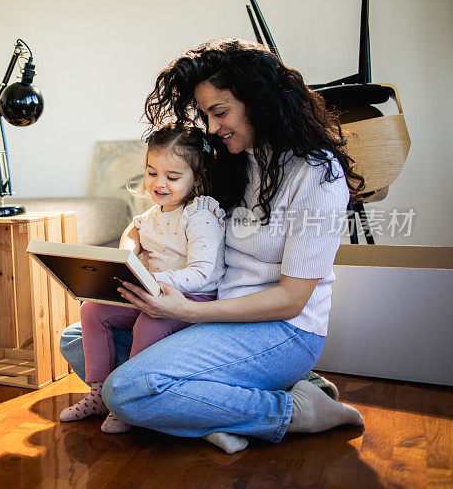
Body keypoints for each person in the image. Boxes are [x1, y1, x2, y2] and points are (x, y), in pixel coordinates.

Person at [59, 39, 366, 454]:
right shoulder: (237, 160)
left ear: (259, 101)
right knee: (78, 338)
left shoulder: (317, 173)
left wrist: (189, 310)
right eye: (206, 115)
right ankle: (207, 415)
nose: (213, 126)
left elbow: (292, 300)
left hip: (282, 330)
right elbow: (166, 220)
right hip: (216, 314)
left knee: (125, 391)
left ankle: (298, 410)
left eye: (219, 112)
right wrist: (131, 253)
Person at [59, 125, 226, 434]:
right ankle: (99, 395)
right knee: (92, 311)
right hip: (151, 292)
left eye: (172, 178)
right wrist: (123, 264)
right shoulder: (148, 218)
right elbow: (130, 243)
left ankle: (128, 398)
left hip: (192, 299)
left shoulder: (200, 215)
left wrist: (151, 278)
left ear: (197, 178)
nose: (159, 184)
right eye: (152, 173)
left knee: (148, 323)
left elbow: (201, 274)